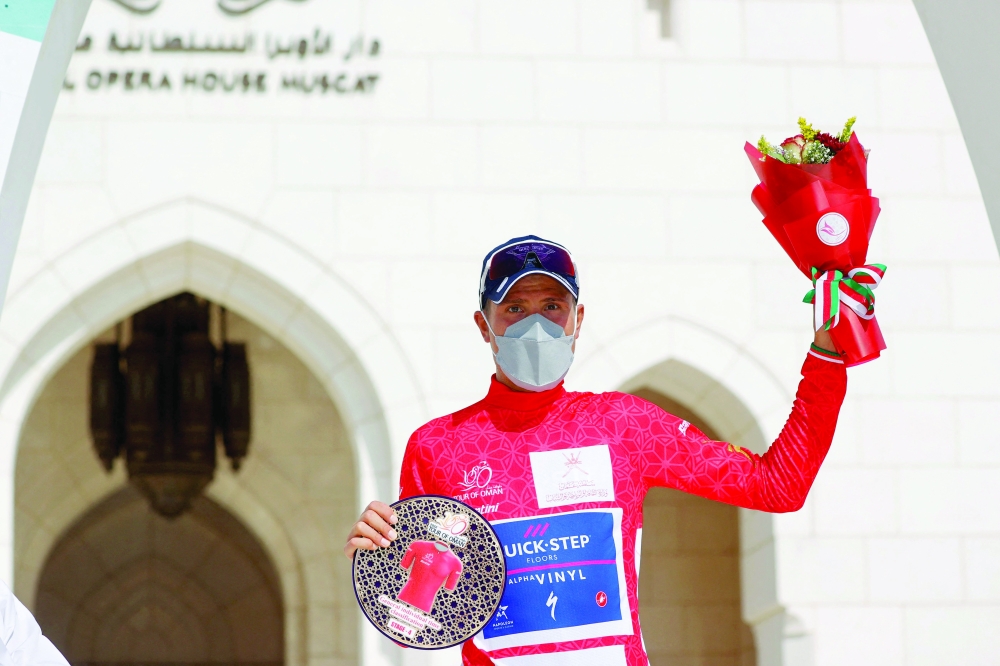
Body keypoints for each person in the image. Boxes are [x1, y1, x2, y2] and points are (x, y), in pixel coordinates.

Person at [345, 235, 848, 666]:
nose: (535, 325)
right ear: (484, 325)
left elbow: (778, 486)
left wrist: (827, 354)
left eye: (552, 306)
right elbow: (413, 622)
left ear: (577, 319)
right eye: (514, 309)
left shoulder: (624, 425)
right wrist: (376, 563)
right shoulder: (438, 446)